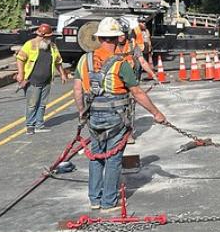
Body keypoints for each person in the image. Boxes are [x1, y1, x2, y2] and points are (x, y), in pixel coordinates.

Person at [73, 17, 167, 211]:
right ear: (117, 39)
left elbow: (77, 90)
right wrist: (156, 114)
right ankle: (109, 201)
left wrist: (82, 112)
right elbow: (137, 92)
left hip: (93, 117)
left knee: (96, 156)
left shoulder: (84, 60)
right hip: (115, 118)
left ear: (99, 39)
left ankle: (95, 199)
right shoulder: (121, 64)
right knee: (113, 159)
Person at [16, 23, 68, 135]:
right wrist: (21, 73)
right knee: (32, 104)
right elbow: (20, 59)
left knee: (42, 104)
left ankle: (39, 124)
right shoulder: (30, 45)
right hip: (32, 81)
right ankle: (30, 126)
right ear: (42, 36)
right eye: (48, 37)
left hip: (46, 81)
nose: (49, 39)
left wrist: (63, 74)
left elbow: (58, 62)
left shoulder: (52, 47)